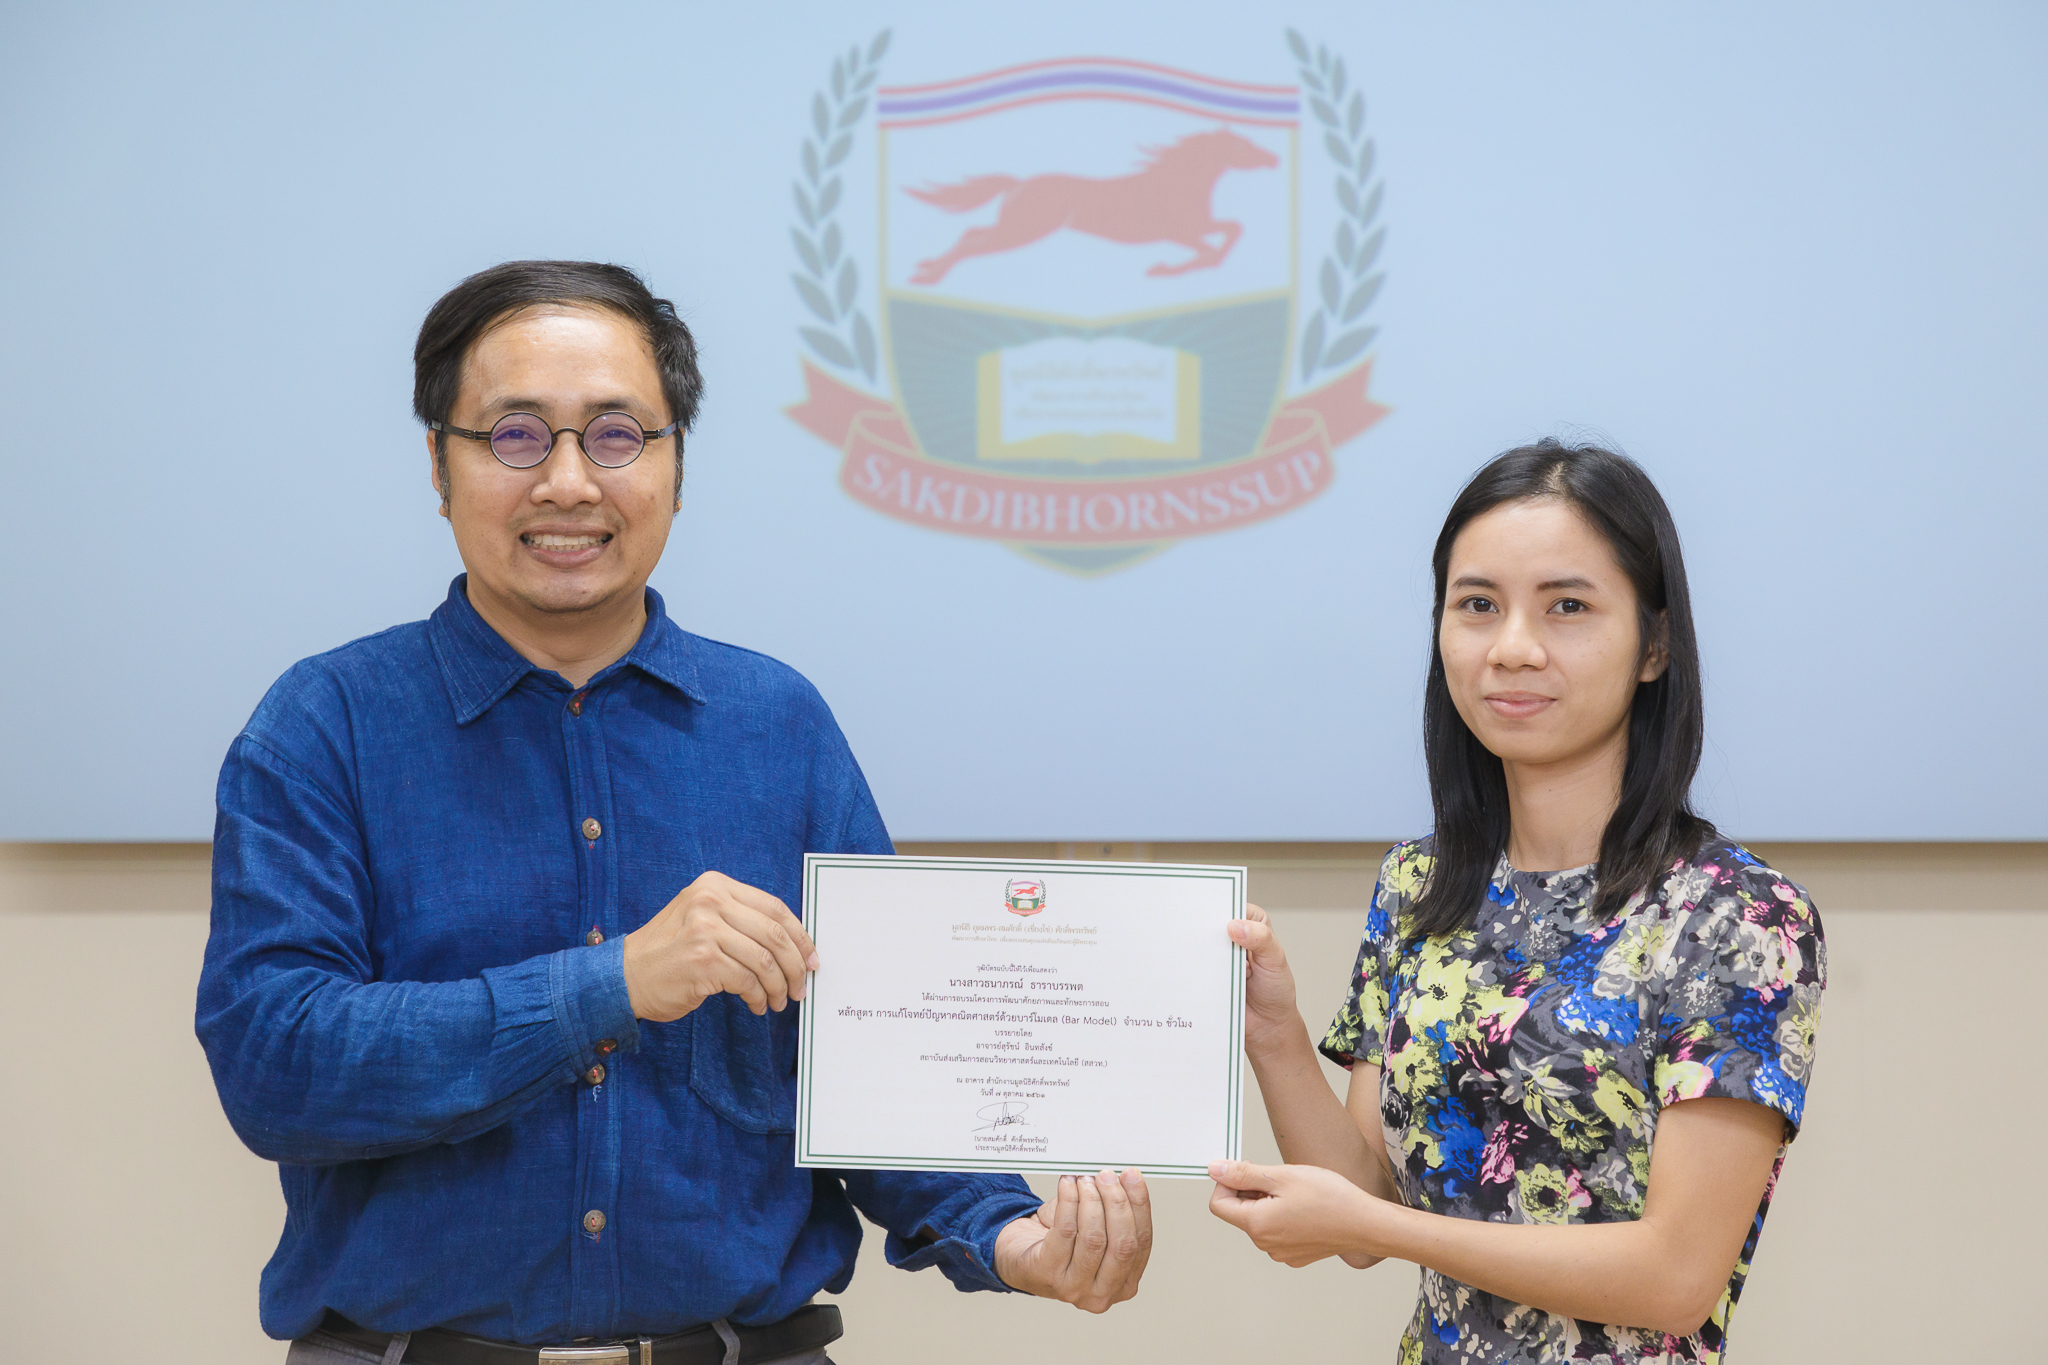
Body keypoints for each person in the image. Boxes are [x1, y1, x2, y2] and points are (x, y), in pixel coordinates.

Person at [196, 260, 1152, 1365]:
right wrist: (611, 983)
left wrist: (1011, 1234)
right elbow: (275, 1065)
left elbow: (876, 1059)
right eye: (515, 435)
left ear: (677, 464)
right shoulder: (325, 725)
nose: (567, 482)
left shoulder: (778, 725)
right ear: (439, 466)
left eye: (616, 435)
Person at [1206, 441, 1825, 1362]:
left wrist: (1385, 1228)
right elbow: (1361, 1205)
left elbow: (1675, 1277)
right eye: (1478, 605)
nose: (1512, 648)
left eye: (1567, 606)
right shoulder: (1418, 884)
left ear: (1655, 645)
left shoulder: (1740, 914)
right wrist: (1272, 1031)